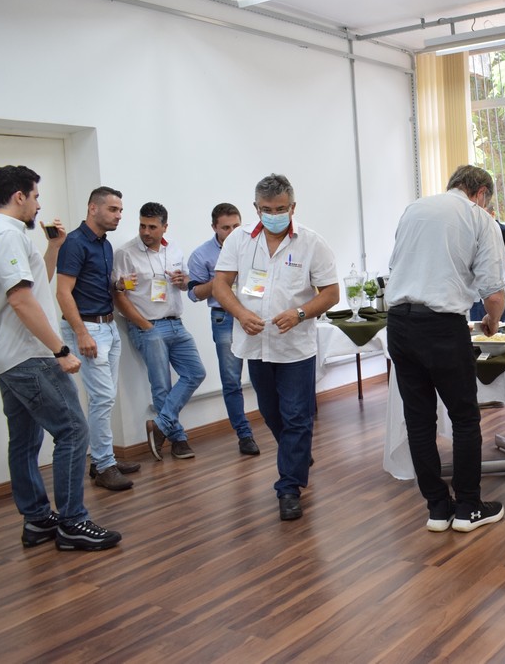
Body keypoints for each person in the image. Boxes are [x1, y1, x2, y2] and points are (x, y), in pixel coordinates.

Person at [0, 166, 121, 550]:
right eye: (35, 196)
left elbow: (34, 284)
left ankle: (38, 520)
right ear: (19, 196)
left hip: (7, 355)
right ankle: (73, 522)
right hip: (29, 355)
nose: (39, 205)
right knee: (73, 430)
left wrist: (54, 248)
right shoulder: (6, 236)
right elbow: (21, 300)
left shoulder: (0, 234)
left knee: (25, 439)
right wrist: (60, 349)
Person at [385, 164, 505, 533]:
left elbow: (399, 264)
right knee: (464, 418)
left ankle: (438, 508)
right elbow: (494, 292)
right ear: (481, 193)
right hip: (442, 327)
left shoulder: (414, 208)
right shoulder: (479, 218)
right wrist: (492, 321)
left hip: (399, 323)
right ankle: (469, 507)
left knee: (419, 420)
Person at [212, 174, 339, 521]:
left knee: (297, 415)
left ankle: (289, 488)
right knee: (271, 413)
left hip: (295, 347)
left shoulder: (312, 243)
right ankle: (297, 454)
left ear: (292, 207)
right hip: (255, 344)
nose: (274, 215)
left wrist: (300, 313)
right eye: (267, 209)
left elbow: (331, 293)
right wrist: (240, 313)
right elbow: (220, 285)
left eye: (281, 209)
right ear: (256, 208)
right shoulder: (239, 240)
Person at [56, 187, 140, 491]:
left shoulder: (104, 244)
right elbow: (63, 292)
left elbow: (93, 283)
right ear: (93, 208)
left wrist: (118, 285)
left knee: (105, 398)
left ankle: (103, 460)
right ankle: (104, 465)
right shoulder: (74, 243)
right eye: (113, 210)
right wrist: (81, 333)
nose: (119, 216)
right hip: (88, 329)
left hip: (108, 326)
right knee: (102, 398)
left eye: (120, 210)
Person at [114, 202, 206, 461]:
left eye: (152, 227)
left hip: (176, 322)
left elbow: (186, 282)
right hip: (149, 325)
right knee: (161, 385)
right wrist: (144, 325)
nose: (146, 231)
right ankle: (179, 439)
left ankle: (160, 424)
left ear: (165, 227)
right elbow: (118, 294)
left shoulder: (173, 248)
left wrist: (183, 281)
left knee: (196, 373)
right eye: (142, 225)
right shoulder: (126, 253)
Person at [188, 203, 258, 456]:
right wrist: (221, 281)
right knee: (231, 381)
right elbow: (194, 294)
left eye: (236, 226)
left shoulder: (255, 246)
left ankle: (282, 429)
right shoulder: (201, 254)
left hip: (255, 313)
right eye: (225, 228)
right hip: (224, 318)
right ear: (214, 228)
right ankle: (244, 435)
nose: (231, 232)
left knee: (265, 375)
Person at [469, 203, 505, 322]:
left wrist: (495, 258)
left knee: (483, 331)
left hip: (493, 293)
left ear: (492, 214)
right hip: (491, 292)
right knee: (497, 330)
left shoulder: (503, 231)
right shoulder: (474, 231)